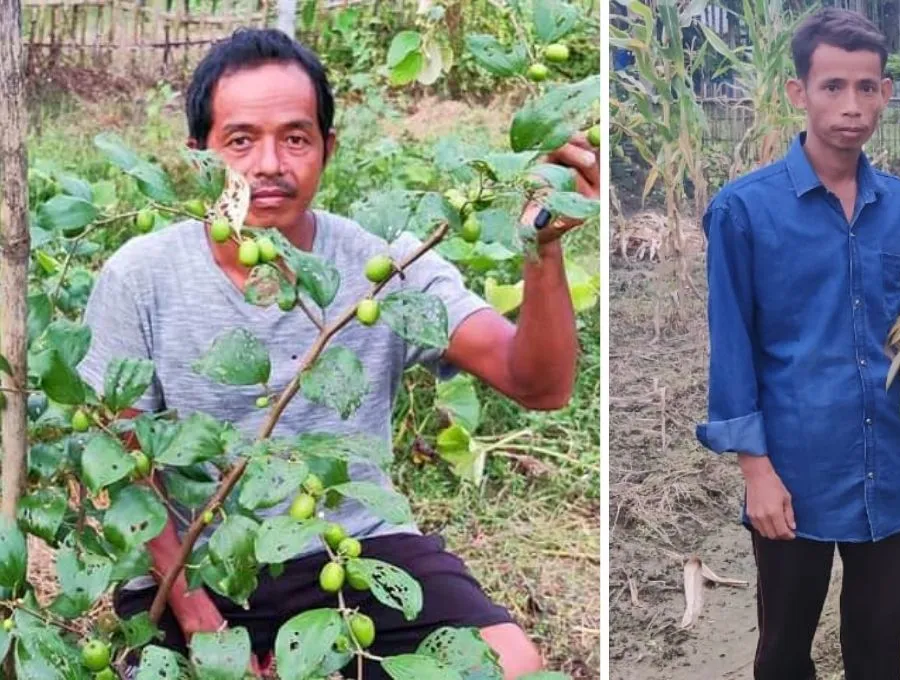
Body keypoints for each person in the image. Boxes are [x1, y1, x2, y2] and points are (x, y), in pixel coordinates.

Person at [76, 28, 598, 680]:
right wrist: (196, 615)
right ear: (199, 156)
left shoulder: (386, 264)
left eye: (296, 138)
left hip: (352, 546)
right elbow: (122, 461)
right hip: (196, 568)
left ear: (330, 147)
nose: (269, 164)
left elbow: (539, 385)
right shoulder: (141, 276)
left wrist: (542, 249)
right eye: (240, 141)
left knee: (511, 665)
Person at [695, 9, 900, 680]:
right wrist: (756, 473)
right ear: (799, 92)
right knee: (784, 651)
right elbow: (732, 348)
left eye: (866, 87)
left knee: (878, 651)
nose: (852, 105)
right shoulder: (744, 210)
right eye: (832, 87)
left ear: (885, 94)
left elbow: (886, 299)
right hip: (796, 471)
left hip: (887, 459)